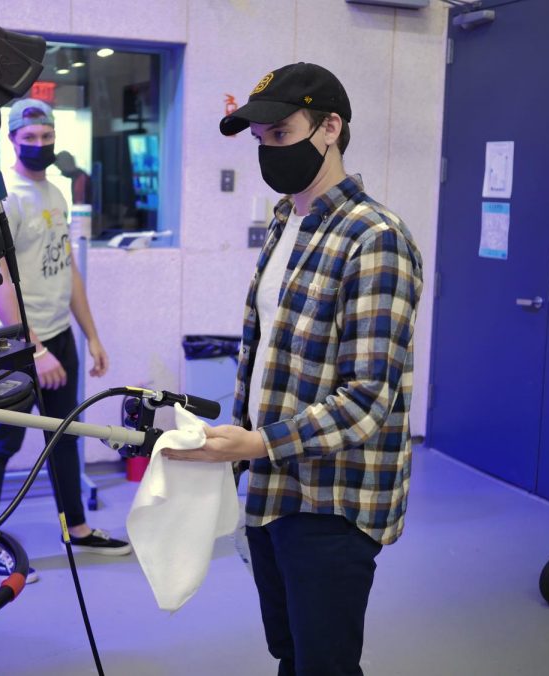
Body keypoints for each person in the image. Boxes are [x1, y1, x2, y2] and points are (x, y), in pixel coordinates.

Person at [163, 63, 423, 675]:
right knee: (291, 653)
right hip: (272, 485)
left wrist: (256, 442)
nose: (268, 153)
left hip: (334, 499)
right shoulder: (286, 221)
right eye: (260, 142)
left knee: (325, 664)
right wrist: (244, 449)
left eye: (280, 135)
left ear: (330, 127)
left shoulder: (375, 238)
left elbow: (367, 397)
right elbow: (271, 356)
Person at [0, 99, 131, 583]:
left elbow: (68, 269)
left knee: (64, 435)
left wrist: (92, 335)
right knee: (1, 439)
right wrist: (32, 348)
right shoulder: (4, 198)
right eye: (30, 138)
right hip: (13, 342)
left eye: (46, 137)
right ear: (13, 139)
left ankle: (75, 528)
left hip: (58, 335)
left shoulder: (55, 193)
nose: (39, 146)